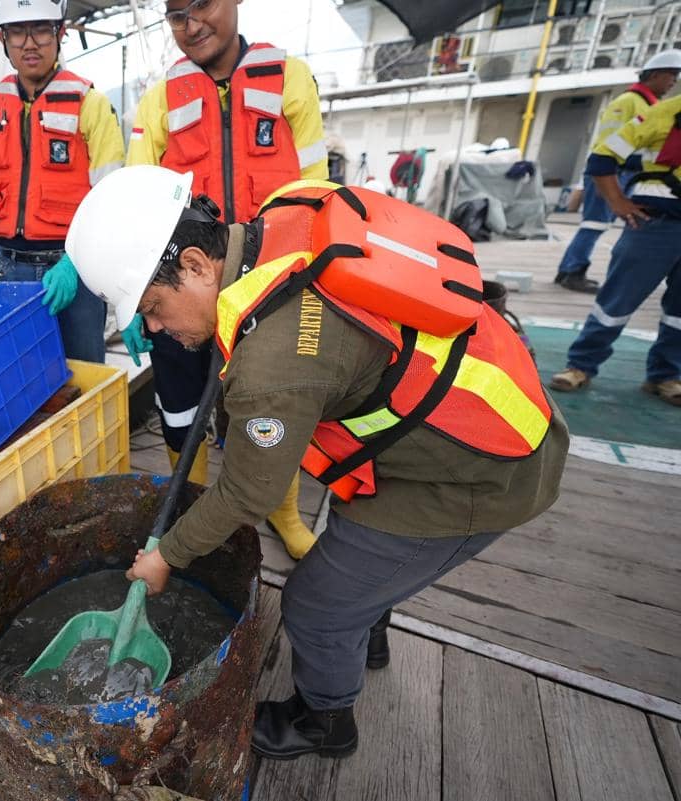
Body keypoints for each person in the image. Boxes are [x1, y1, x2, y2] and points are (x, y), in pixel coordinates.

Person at [66, 165, 568, 760]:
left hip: (478, 473)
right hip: (482, 407)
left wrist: (165, 556)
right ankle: (366, 623)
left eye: (153, 308)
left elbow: (246, 495)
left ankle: (323, 721)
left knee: (313, 605)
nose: (154, 329)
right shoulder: (286, 211)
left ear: (197, 264)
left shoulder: (273, 367)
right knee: (351, 564)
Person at [123, 0, 329, 567]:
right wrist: (137, 305)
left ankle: (284, 511)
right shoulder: (159, 99)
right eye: (176, 14)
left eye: (202, 4)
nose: (191, 25)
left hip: (270, 286)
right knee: (179, 408)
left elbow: (319, 193)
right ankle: (188, 506)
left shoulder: (290, 78)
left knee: (271, 409)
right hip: (182, 288)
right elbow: (138, 205)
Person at [0, 0, 124, 363]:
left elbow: (110, 198)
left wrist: (74, 263)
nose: (29, 43)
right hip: (10, 268)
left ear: (60, 33)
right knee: (23, 370)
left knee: (84, 370)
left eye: (41, 30)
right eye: (17, 32)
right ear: (2, 39)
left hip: (75, 269)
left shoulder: (91, 105)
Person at [549, 90, 681, 406]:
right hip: (655, 224)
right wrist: (617, 201)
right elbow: (602, 158)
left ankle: (665, 375)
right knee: (616, 303)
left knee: (680, 313)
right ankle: (580, 365)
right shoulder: (661, 114)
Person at [552, 50, 681, 293]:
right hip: (610, 174)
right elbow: (607, 149)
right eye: (671, 74)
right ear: (654, 74)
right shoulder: (628, 102)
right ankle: (572, 271)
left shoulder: (648, 105)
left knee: (598, 225)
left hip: (624, 175)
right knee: (594, 224)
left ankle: (569, 270)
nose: (674, 81)